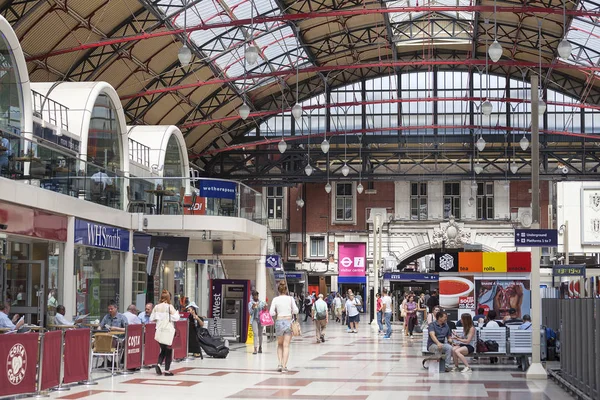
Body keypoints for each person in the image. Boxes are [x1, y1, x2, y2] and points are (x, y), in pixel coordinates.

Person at [270, 281, 299, 373]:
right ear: (286, 290)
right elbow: (296, 310)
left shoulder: (275, 299)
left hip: (279, 321)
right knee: (286, 345)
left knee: (279, 344)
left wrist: (276, 313)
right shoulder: (290, 299)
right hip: (288, 322)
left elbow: (271, 313)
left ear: (278, 290)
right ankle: (284, 366)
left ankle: (279, 363)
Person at [150, 290, 180, 376]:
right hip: (168, 332)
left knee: (163, 349)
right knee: (169, 351)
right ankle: (167, 370)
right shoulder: (169, 307)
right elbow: (176, 318)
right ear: (168, 298)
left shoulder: (156, 307)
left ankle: (159, 364)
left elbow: (152, 318)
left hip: (159, 331)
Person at [248, 290, 267, 354]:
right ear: (252, 296)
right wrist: (253, 308)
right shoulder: (250, 303)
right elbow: (250, 313)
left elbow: (264, 311)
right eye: (254, 295)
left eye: (256, 295)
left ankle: (260, 347)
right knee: (255, 333)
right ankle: (255, 348)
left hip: (261, 319)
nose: (255, 296)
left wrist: (265, 308)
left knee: (260, 334)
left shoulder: (261, 302)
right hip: (254, 319)